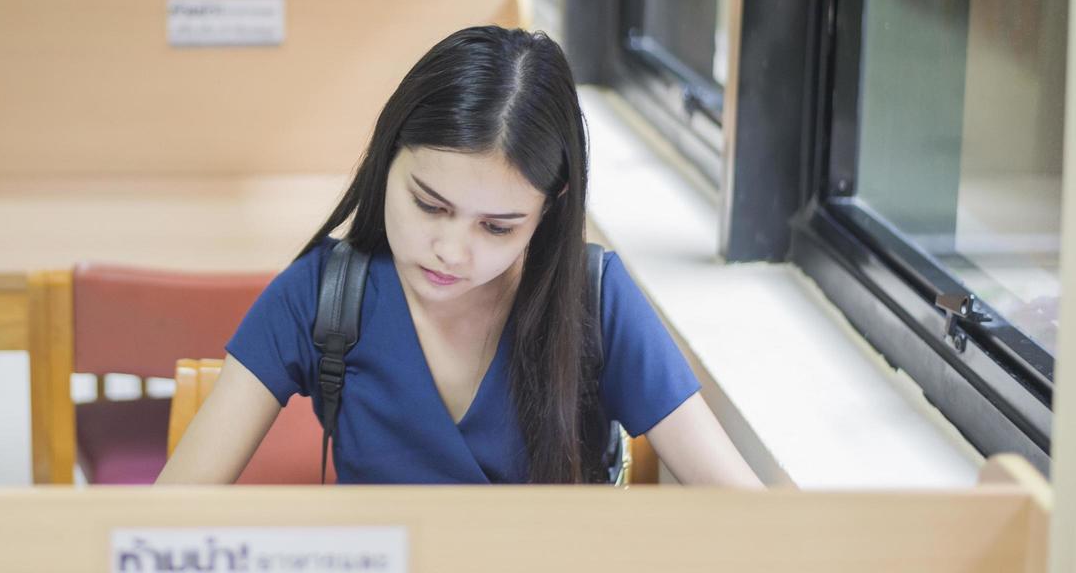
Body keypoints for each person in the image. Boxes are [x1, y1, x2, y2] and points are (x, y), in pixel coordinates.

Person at [157, 25, 760, 486]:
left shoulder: (596, 302)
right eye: (428, 205)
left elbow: (751, 519)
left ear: (551, 208)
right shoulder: (318, 297)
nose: (450, 251)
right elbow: (165, 519)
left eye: (497, 227)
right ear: (387, 158)